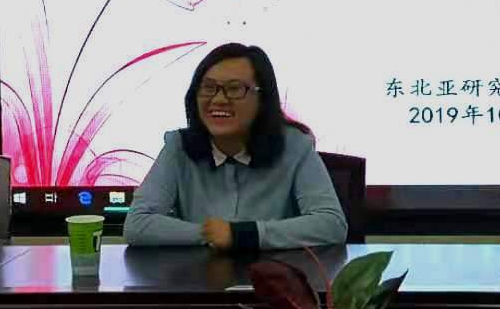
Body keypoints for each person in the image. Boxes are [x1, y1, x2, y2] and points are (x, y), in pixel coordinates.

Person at [125, 43, 348, 250]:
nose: (218, 100)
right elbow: (137, 224)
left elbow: (331, 224)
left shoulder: (295, 146)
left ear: (262, 98)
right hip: (199, 277)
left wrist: (245, 235)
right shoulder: (178, 147)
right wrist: (209, 234)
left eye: (234, 89)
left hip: (275, 276)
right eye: (208, 88)